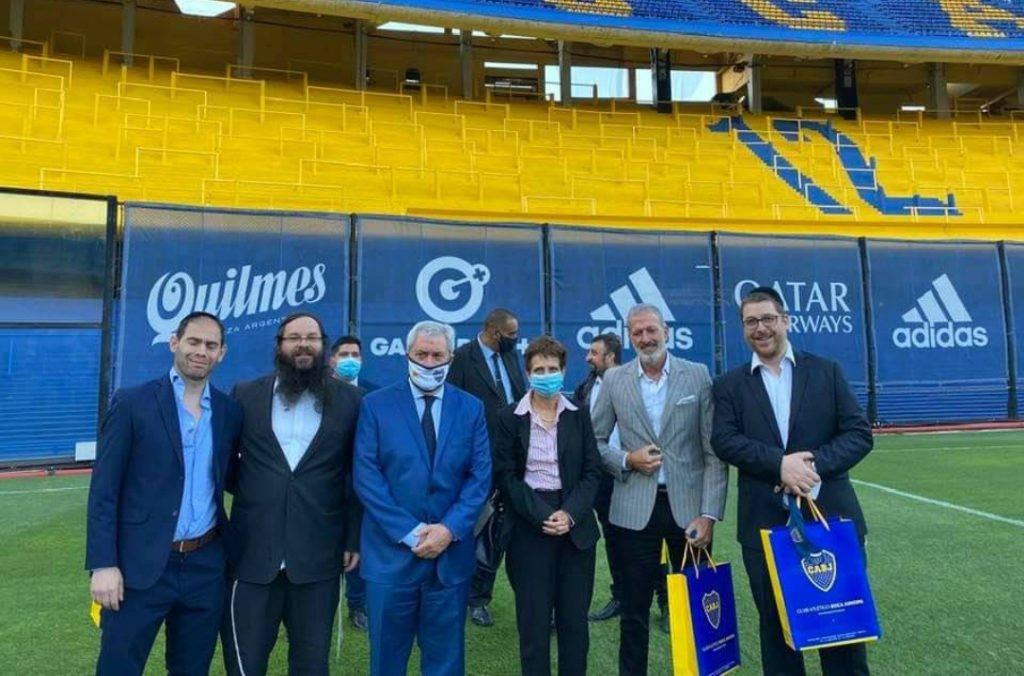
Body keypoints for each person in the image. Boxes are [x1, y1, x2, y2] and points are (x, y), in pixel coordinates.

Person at [711, 286, 873, 676]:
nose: (761, 328)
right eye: (751, 321)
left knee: (843, 635)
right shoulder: (729, 385)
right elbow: (724, 440)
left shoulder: (826, 371)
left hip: (831, 519)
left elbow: (858, 434)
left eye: (768, 318)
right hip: (764, 525)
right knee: (777, 634)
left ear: (786, 321)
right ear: (743, 328)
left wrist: (810, 467)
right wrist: (779, 465)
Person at [86, 311, 242, 676]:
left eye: (211, 345)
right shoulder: (132, 402)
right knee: (118, 668)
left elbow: (233, 477)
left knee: (192, 669)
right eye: (193, 341)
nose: (201, 351)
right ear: (174, 343)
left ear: (221, 353)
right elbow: (104, 488)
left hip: (205, 566)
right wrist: (103, 564)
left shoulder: (230, 411)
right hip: (138, 566)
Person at [590, 303, 729, 676]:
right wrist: (627, 459)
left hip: (690, 512)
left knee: (700, 607)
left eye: (651, 330)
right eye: (637, 332)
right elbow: (594, 441)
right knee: (634, 610)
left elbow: (713, 451)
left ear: (666, 331)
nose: (645, 338)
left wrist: (709, 514)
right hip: (634, 510)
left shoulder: (697, 375)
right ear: (629, 337)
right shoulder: (614, 379)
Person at [222, 313, 362, 676]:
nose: (303, 344)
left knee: (311, 665)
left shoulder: (352, 400)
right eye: (294, 337)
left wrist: (352, 538)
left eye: (312, 338)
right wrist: (264, 492)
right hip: (252, 555)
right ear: (279, 345)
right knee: (244, 664)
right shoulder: (245, 395)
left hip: (319, 557)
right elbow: (226, 467)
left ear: (323, 346)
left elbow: (357, 476)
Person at [355, 320, 492, 676]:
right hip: (390, 559)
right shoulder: (375, 405)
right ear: (407, 355)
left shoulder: (471, 408)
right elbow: (367, 476)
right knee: (387, 662)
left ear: (450, 357)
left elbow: (479, 478)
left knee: (445, 663)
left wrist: (448, 530)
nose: (429, 362)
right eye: (422, 354)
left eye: (437, 355)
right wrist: (410, 532)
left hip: (450, 561)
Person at [494, 336, 603, 676]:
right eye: (539, 370)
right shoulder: (508, 416)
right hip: (528, 524)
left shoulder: (579, 414)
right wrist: (543, 514)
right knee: (533, 623)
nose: (546, 375)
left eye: (552, 369)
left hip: (575, 525)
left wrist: (569, 514)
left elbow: (592, 471)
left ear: (563, 371)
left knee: (574, 624)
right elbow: (505, 476)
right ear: (528, 373)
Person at [447, 307, 526, 627]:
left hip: (514, 458)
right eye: (511, 334)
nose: (516, 340)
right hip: (478, 461)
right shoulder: (463, 358)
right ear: (494, 332)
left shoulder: (511, 356)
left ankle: (513, 598)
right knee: (477, 530)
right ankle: (471, 597)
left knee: (508, 531)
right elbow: (452, 408)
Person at [328, 334, 376, 631]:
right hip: (324, 483)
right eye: (344, 354)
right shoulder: (318, 391)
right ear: (332, 359)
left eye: (355, 355)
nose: (349, 360)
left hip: (361, 483)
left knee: (358, 542)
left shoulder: (373, 395)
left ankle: (358, 605)